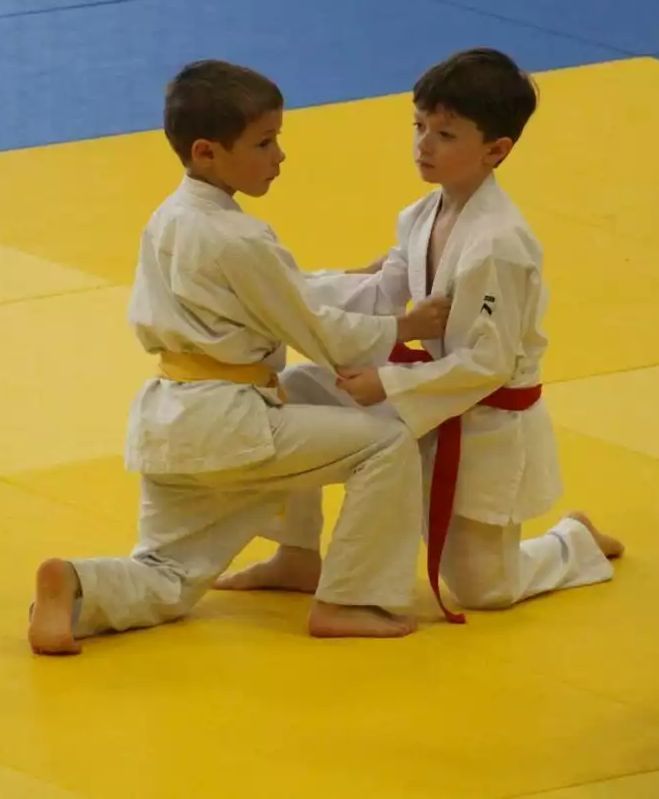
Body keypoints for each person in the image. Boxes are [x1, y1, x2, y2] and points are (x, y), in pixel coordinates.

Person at [27, 60, 452, 653]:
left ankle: (78, 584)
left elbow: (275, 296)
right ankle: (349, 598)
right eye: (264, 143)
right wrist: (404, 323)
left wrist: (352, 282)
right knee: (384, 445)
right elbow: (313, 327)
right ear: (206, 152)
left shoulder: (169, 219)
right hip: (230, 424)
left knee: (167, 575)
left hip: (171, 420)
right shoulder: (241, 238)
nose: (279, 156)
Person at [215, 48, 623, 622]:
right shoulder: (419, 216)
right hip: (423, 394)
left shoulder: (499, 246)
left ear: (495, 150)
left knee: (484, 589)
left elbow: (489, 366)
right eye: (419, 126)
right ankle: (297, 552)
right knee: (297, 389)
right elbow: (385, 289)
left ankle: (572, 540)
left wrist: (384, 382)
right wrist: (289, 292)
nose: (424, 145)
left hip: (482, 419)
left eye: (446, 134)